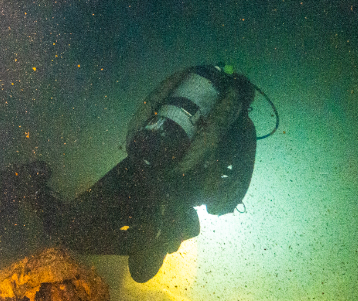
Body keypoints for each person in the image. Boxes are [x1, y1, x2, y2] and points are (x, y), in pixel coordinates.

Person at [34, 64, 261, 282]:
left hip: (134, 167)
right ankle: (152, 234)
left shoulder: (181, 97)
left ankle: (30, 185)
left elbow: (148, 111)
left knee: (68, 228)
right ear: (243, 102)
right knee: (142, 269)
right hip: (172, 195)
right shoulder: (244, 129)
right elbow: (225, 199)